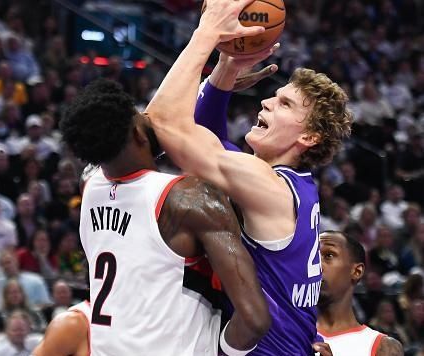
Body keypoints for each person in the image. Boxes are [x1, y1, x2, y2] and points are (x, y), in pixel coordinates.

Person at [145, 0, 352, 354]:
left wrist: (207, 33)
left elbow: (162, 123)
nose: (266, 102)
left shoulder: (267, 187)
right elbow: (206, 134)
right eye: (275, 96)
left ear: (309, 137)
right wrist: (226, 69)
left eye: (285, 104)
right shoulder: (287, 184)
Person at [59, 77, 271, 354]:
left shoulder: (89, 183)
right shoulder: (189, 199)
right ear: (137, 133)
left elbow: (139, 135)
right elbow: (255, 320)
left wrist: (213, 86)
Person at [317, 231, 403, 355]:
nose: (316, 264)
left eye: (329, 255)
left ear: (357, 271)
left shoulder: (383, 347)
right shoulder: (285, 335)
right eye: (313, 257)